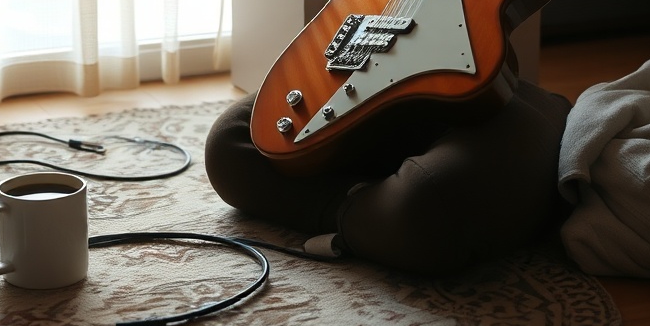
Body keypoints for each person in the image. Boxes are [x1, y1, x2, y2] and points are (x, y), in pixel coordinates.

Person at [205, 81, 571, 274]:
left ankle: (369, 211)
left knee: (428, 207)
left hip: (494, 100)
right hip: (379, 77)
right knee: (230, 146)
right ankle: (374, 214)